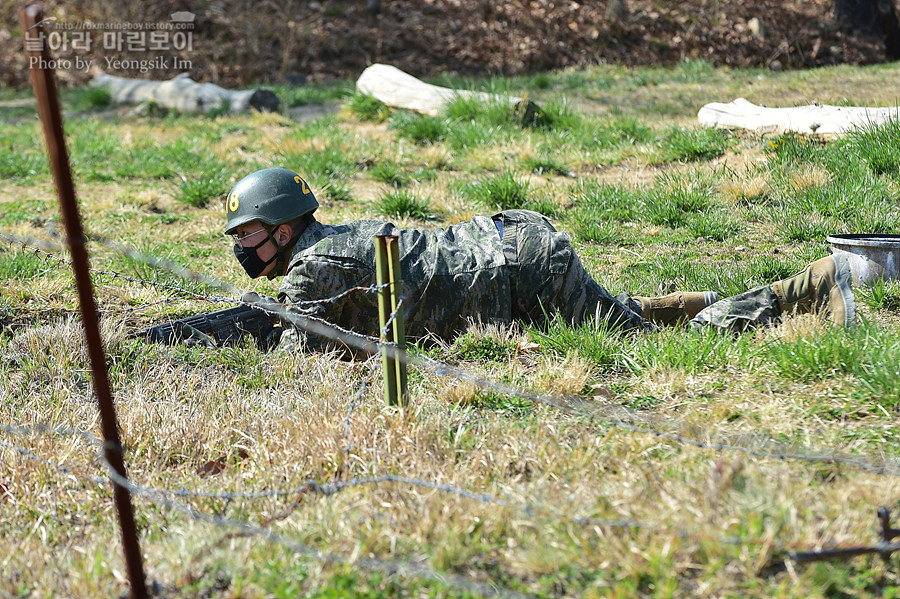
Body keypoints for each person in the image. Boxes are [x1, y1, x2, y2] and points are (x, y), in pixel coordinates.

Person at [224, 168, 856, 352]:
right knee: (617, 318)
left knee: (637, 345)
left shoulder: (311, 268)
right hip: (514, 246)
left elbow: (293, 355)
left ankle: (802, 290)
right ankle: (698, 302)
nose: (240, 246)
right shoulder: (334, 241)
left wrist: (214, 337)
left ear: (283, 230)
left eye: (248, 232)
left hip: (520, 271)